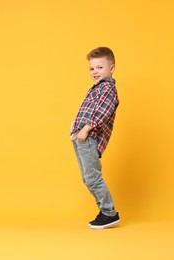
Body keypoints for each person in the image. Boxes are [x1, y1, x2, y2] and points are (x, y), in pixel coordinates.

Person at [70, 47, 120, 229]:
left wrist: (86, 129)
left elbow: (103, 112)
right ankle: (106, 211)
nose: (95, 72)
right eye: (92, 69)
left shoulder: (108, 89)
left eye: (100, 67)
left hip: (90, 138)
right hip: (81, 138)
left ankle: (109, 212)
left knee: (93, 177)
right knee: (88, 178)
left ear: (111, 68)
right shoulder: (96, 89)